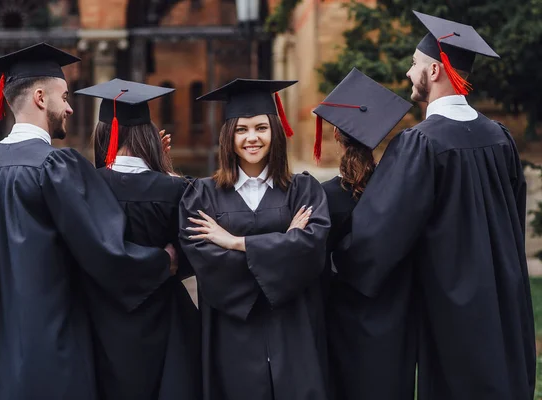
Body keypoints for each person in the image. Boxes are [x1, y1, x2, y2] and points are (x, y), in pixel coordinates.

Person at [0, 43, 176, 400]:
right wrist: (162, 260)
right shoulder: (55, 167)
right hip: (55, 341)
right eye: (64, 96)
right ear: (40, 97)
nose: (69, 107)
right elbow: (105, 250)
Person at [337, 12, 535, 400]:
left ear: (434, 69)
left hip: (452, 309)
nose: (409, 72)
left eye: (414, 64)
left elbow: (378, 239)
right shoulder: (500, 139)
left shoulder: (420, 144)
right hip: (504, 298)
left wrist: (334, 258)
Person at [179, 79, 331, 400]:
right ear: (228, 136)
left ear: (275, 131)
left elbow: (311, 252)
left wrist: (236, 243)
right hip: (232, 329)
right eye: (241, 129)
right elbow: (206, 264)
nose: (252, 138)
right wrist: (285, 243)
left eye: (261, 127)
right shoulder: (201, 196)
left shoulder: (303, 190)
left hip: (294, 327)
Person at [74, 79, 201, 400]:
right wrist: (165, 170)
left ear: (104, 134)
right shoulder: (174, 189)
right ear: (149, 136)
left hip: (100, 319)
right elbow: (190, 255)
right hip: (164, 317)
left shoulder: (84, 187)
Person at [313, 68, 414, 400]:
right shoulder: (397, 189)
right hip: (394, 315)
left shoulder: (326, 196)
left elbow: (316, 264)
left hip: (343, 316)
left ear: (336, 136)